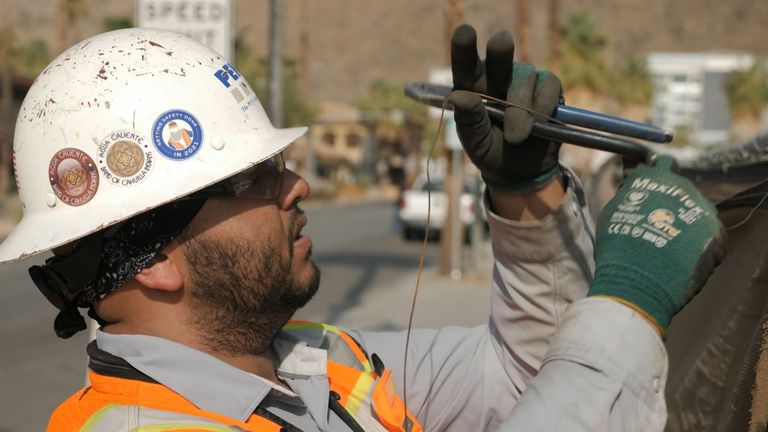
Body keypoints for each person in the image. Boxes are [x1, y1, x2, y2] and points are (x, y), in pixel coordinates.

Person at [0, 24, 724, 432]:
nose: (298, 186)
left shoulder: (314, 363)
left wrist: (527, 198)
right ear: (154, 257)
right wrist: (627, 303)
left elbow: (519, 380)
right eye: (253, 179)